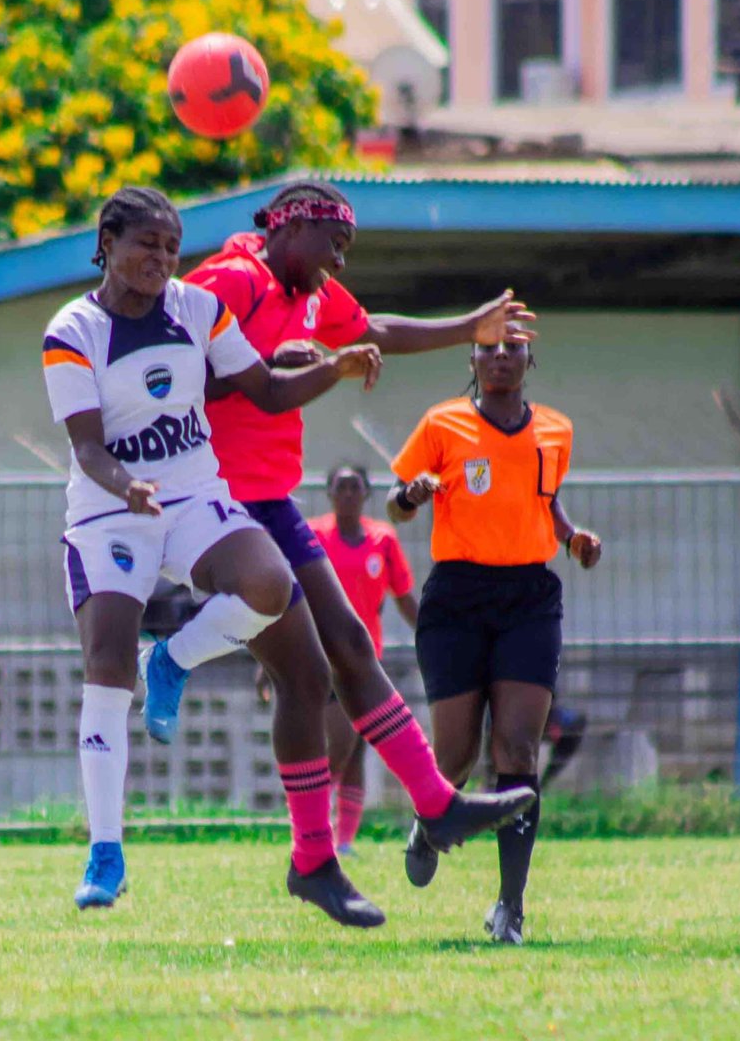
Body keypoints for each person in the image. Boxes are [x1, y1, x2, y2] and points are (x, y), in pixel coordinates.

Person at [138, 179, 537, 867]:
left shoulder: (311, 293)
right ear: (292, 230)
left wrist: (468, 328)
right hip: (217, 503)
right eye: (336, 245)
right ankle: (319, 851)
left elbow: (375, 328)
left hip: (270, 496)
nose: (341, 262)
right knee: (308, 676)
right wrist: (264, 370)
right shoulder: (233, 279)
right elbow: (163, 376)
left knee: (349, 645)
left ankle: (431, 809)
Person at [42, 185, 389, 923]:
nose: (161, 260)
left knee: (268, 584)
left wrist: (332, 368)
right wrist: (129, 485)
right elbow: (86, 447)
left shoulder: (197, 308)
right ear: (106, 243)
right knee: (104, 666)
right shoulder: (73, 328)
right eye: (146, 245)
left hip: (196, 497)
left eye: (171, 248)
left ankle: (170, 661)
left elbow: (262, 389)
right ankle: (106, 850)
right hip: (111, 510)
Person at [387, 339, 602, 944]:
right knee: (454, 756)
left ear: (531, 361)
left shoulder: (556, 429)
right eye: (489, 348)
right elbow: (395, 500)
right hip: (457, 594)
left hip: (529, 598)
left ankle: (511, 906)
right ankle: (429, 822)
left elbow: (544, 497)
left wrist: (572, 537)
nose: (501, 355)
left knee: (516, 752)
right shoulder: (441, 422)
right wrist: (411, 496)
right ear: (472, 362)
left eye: (514, 348)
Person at [309, 464, 418, 855]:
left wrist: (430, 636)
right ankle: (312, 830)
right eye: (342, 487)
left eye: (356, 487)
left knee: (356, 750)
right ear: (330, 493)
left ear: (367, 493)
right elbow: (295, 593)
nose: (349, 494)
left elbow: (403, 596)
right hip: (324, 656)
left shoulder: (383, 540)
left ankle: (344, 841)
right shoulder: (315, 536)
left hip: (368, 658)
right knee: (336, 745)